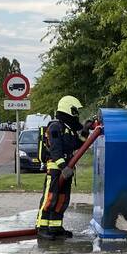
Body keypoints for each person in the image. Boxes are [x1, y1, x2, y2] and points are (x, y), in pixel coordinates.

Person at [36, 95, 89, 240]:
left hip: (67, 170)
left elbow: (79, 145)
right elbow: (55, 150)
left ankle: (55, 227)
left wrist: (84, 130)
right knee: (51, 197)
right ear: (68, 109)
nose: (76, 114)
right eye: (75, 111)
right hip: (55, 169)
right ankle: (42, 227)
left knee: (62, 199)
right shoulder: (55, 127)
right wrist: (63, 167)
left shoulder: (68, 129)